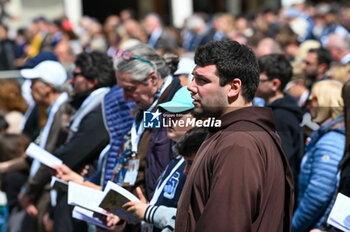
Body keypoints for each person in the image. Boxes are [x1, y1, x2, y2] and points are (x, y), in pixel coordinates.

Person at [175, 40, 294, 231]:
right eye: (193, 78)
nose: (191, 87)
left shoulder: (238, 143)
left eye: (202, 80)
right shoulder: (233, 134)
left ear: (233, 87)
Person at [113, 43, 181, 200]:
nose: (125, 97)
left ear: (153, 79)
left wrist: (151, 211)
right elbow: (142, 153)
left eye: (130, 88)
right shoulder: (151, 109)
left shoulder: (179, 110)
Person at [292, 80, 345, 232]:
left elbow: (319, 193)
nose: (308, 104)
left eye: (312, 99)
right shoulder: (329, 134)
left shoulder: (331, 140)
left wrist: (295, 225)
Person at [256, 54, 304, 199]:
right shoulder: (275, 110)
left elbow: (282, 162)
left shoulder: (280, 117)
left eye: (259, 79)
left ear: (275, 84)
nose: (253, 82)